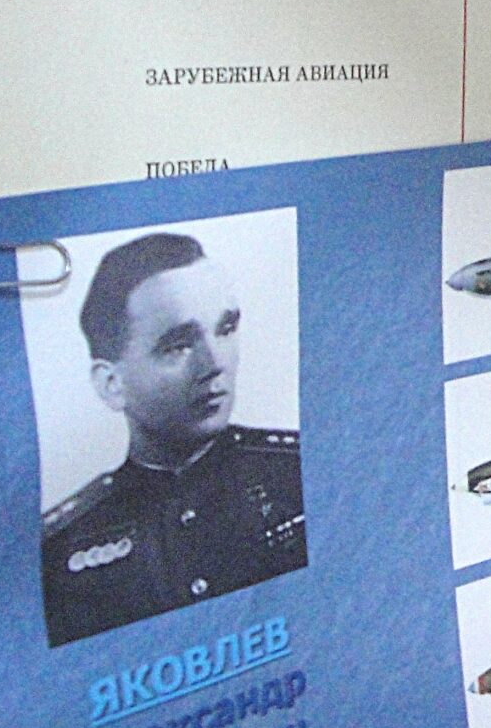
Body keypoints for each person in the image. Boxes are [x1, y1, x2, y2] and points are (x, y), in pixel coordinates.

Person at [41, 232, 307, 646]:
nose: (215, 362)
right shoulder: (62, 547)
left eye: (226, 328)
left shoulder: (296, 471)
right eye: (178, 345)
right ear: (111, 384)